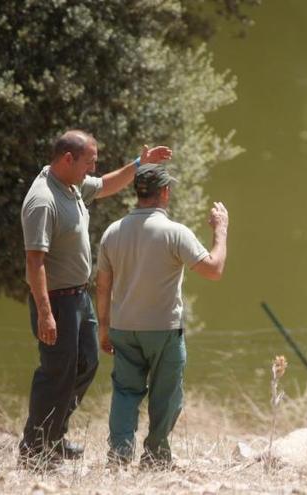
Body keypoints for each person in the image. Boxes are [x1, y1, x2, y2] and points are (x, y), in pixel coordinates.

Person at [19, 130, 172, 469]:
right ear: (67, 159)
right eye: (88, 161)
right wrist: (45, 313)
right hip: (56, 301)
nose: (92, 168)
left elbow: (104, 185)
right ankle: (34, 449)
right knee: (56, 372)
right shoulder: (43, 200)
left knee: (86, 364)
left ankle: (53, 434)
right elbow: (35, 262)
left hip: (78, 296)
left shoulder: (71, 185)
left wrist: (139, 164)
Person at [95, 164, 228, 468]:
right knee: (166, 396)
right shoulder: (175, 233)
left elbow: (102, 286)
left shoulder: (112, 232)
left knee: (125, 392)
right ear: (165, 192)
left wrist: (104, 328)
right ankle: (155, 456)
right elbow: (214, 270)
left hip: (123, 328)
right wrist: (220, 231)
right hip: (163, 330)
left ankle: (119, 455)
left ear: (137, 192)